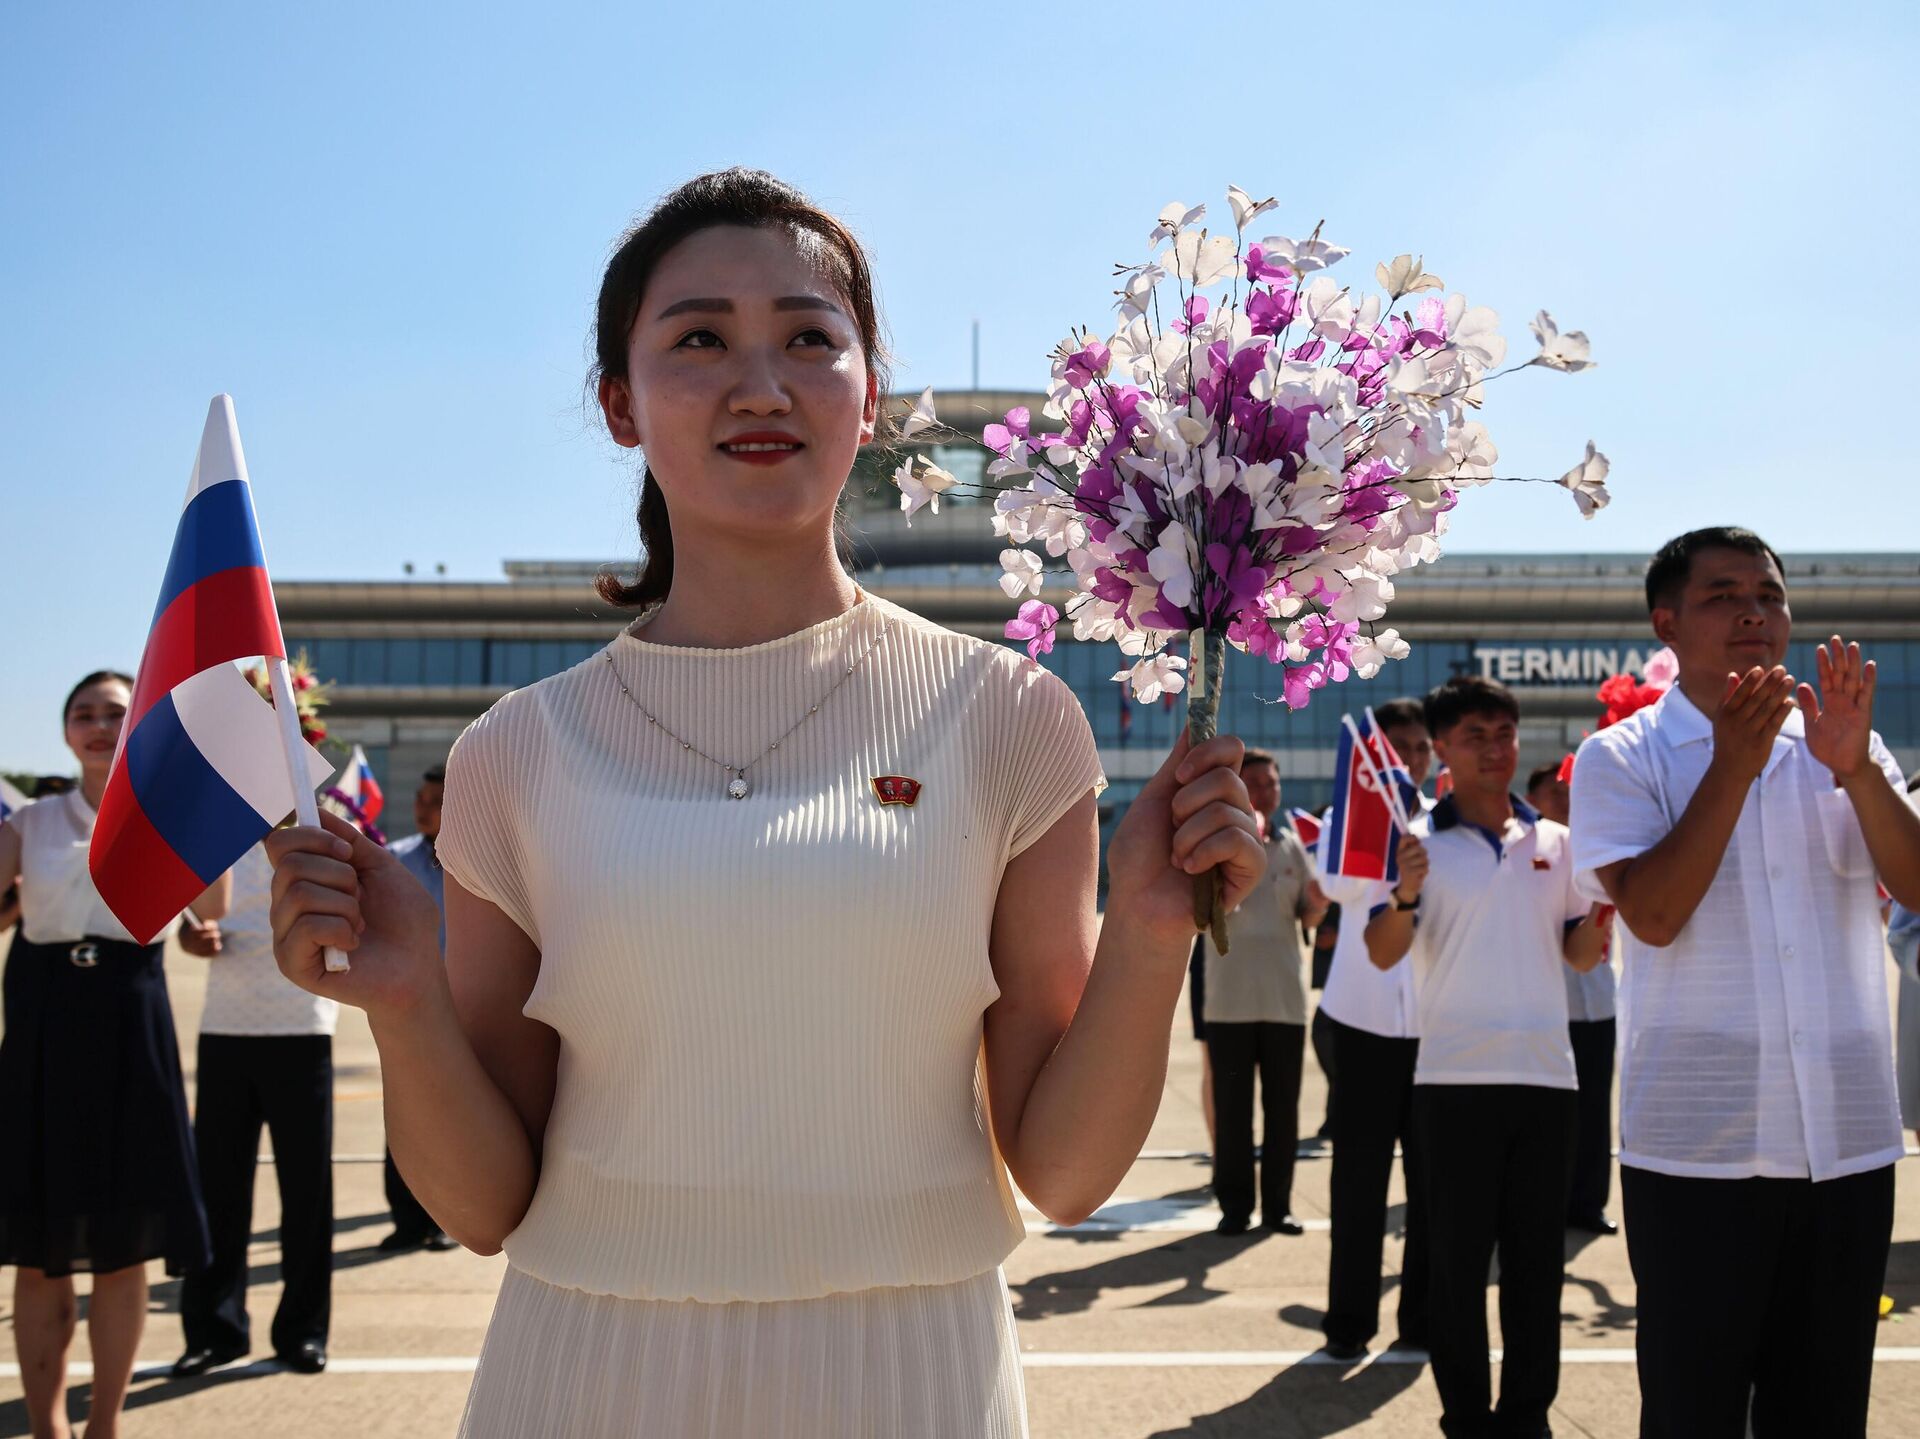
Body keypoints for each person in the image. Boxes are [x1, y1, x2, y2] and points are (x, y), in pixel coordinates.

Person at [263, 168, 1266, 1437]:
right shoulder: (515, 752)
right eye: (699, 339)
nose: (760, 384)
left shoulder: (1010, 716)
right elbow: (482, 1204)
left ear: (870, 395)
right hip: (584, 1374)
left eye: (807, 338)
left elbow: (1062, 1173)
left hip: (913, 1380)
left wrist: (1153, 932)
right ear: (619, 404)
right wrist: (405, 1002)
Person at [1570, 527, 1920, 1438]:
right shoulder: (1624, 756)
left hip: (1845, 1147)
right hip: (1699, 1155)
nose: (1754, 612)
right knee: (1693, 1413)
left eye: (1768, 593)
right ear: (1667, 623)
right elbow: (1652, 914)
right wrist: (1732, 765)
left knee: (1825, 1412)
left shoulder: (1842, 742)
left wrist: (1857, 772)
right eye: (1723, 595)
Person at [1368, 676, 1611, 1438]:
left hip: (1546, 1078)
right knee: (1458, 1266)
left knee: (1538, 1265)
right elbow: (1381, 951)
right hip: (1452, 1081)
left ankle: (1527, 1414)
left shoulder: (1557, 842)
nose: (1496, 748)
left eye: (1505, 732)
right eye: (1475, 735)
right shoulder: (1416, 841)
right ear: (1442, 747)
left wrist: (1605, 912)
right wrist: (1404, 894)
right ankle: (1467, 1416)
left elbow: (1577, 955)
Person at [0, 671, 227, 1439]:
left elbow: (213, 907)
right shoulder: (30, 820)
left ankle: (104, 1424)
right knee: (40, 1249)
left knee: (123, 1248)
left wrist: (201, 818)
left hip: (131, 1021)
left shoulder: (170, 812)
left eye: (116, 712)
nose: (99, 725)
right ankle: (46, 1426)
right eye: (84, 713)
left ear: (142, 724)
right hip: (42, 1027)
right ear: (66, 730)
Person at [173, 842, 338, 1377]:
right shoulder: (218, 838)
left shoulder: (316, 836)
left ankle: (303, 1331)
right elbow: (190, 927)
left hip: (302, 1028)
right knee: (217, 1190)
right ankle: (214, 1332)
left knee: (307, 1192)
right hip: (225, 1027)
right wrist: (192, 939)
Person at [1316, 696, 1434, 1360]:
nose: (1412, 761)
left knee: (1432, 1185)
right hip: (1362, 1027)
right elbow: (1336, 884)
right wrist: (1391, 845)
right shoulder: (1348, 818)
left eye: (1421, 749)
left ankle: (1422, 1318)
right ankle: (1348, 1322)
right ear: (1373, 759)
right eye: (1399, 750)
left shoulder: (1445, 820)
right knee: (1358, 1184)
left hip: (1435, 1031)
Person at [1201, 751, 1327, 1236]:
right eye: (1252, 782)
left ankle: (1278, 1207)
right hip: (1229, 1003)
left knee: (1283, 1111)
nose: (1264, 790)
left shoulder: (1294, 847)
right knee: (1233, 1114)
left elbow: (1307, 916)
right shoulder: (1215, 847)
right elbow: (1199, 911)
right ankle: (1235, 1208)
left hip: (1284, 1003)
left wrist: (1318, 905)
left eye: (1270, 782)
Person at [1525, 760, 1619, 1236]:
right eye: (1554, 792)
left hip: (1597, 1001)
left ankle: (1588, 1202)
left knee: (1595, 1108)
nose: (1565, 800)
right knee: (1550, 1112)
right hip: (1550, 1003)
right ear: (1533, 801)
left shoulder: (1600, 844)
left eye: (1569, 791)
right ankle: (1546, 1201)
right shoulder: (1530, 852)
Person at [379, 766, 458, 1253]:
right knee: (405, 1110)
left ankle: (450, 1216)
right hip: (410, 1005)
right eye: (420, 799)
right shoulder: (394, 861)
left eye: (436, 801)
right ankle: (406, 1220)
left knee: (455, 1112)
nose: (423, 809)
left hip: (465, 1006)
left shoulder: (477, 862)